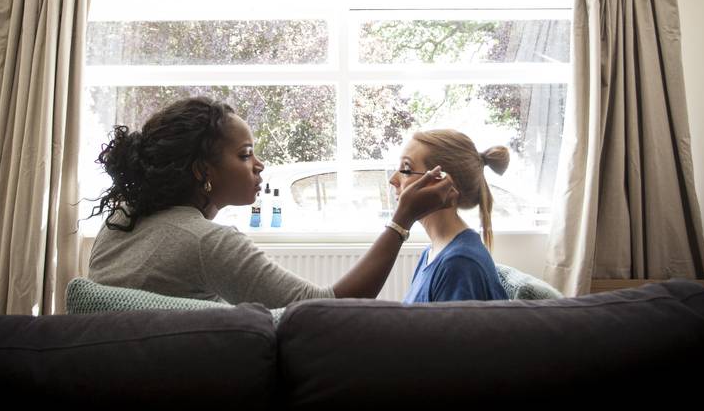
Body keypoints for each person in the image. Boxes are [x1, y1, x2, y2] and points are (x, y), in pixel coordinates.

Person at [86, 96, 455, 308]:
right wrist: (401, 219)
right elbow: (324, 309)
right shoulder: (207, 242)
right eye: (245, 155)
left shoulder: (121, 220)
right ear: (202, 171)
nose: (259, 165)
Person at [390, 129, 509, 303]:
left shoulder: (459, 264)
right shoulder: (431, 254)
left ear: (442, 183)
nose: (393, 179)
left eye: (406, 169)